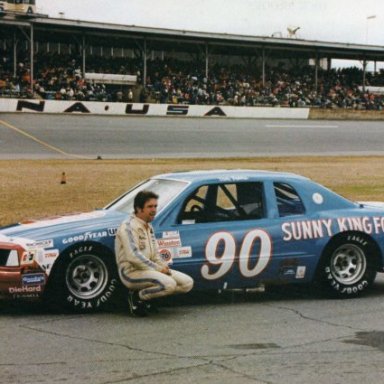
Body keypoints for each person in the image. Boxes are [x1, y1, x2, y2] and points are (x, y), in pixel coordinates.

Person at [115, 190, 194, 316]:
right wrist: (158, 269)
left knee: (187, 283)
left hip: (149, 269)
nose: (154, 210)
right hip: (131, 272)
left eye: (155, 206)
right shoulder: (128, 226)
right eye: (150, 207)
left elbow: (155, 253)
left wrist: (163, 266)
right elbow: (133, 256)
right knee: (169, 284)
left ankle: (149, 298)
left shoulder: (148, 226)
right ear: (138, 208)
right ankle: (138, 297)